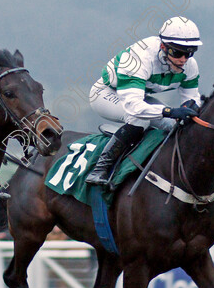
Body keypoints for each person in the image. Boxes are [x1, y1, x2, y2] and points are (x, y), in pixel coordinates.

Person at [85, 16, 203, 186]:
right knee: (140, 119)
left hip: (140, 96)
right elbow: (135, 107)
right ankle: (100, 168)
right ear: (163, 47)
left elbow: (192, 97)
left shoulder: (190, 65)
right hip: (106, 94)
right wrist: (170, 111)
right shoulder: (139, 59)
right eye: (177, 53)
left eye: (189, 52)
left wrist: (189, 106)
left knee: (176, 126)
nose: (183, 59)